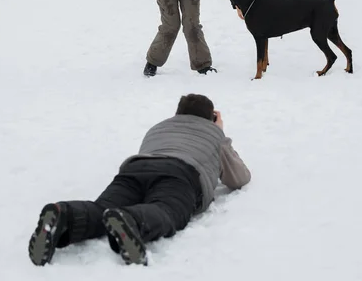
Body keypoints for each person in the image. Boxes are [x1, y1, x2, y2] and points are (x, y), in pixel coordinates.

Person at [28, 94, 251, 266]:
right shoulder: (214, 134)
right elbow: (240, 178)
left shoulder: (158, 127)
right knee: (166, 209)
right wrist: (219, 131)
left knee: (103, 208)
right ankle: (133, 221)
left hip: (136, 168)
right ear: (211, 117)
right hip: (180, 174)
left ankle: (64, 215)